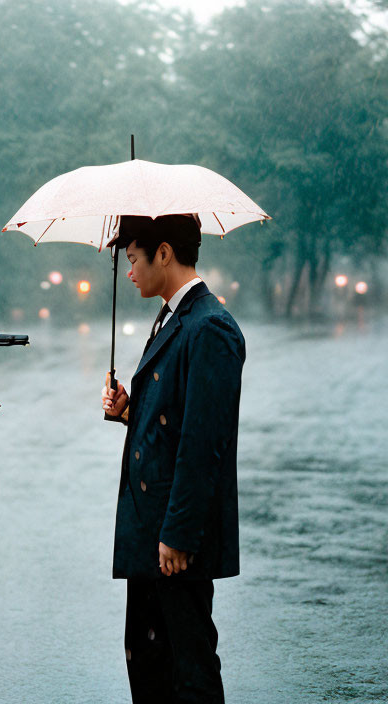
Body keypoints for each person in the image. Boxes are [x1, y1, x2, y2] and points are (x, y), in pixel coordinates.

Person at [102, 215, 245, 703]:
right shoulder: (172, 317)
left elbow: (204, 443)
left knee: (189, 671)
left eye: (134, 259)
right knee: (148, 665)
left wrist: (179, 534)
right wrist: (129, 410)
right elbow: (173, 418)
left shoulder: (210, 328)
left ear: (164, 252)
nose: (131, 271)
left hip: (173, 541)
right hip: (152, 532)